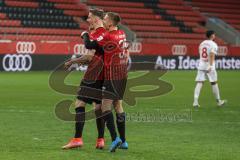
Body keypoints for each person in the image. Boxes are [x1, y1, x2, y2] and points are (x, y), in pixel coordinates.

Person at [81, 12, 129, 152]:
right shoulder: (122, 33)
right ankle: (124, 141)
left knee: (105, 107)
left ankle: (115, 139)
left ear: (111, 23)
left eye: (105, 19)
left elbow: (89, 44)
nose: (103, 21)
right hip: (123, 74)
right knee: (118, 105)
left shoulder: (108, 36)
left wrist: (84, 34)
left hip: (112, 75)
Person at [62, 9, 105, 150]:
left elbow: (89, 57)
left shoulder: (96, 34)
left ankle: (77, 139)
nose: (87, 20)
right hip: (103, 75)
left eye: (90, 17)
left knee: (79, 104)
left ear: (97, 19)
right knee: (98, 108)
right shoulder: (106, 33)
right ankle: (100, 140)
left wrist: (72, 61)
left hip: (93, 75)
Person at [193, 30, 226, 108]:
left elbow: (200, 53)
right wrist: (210, 65)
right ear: (212, 36)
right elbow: (211, 55)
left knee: (199, 82)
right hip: (209, 65)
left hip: (201, 64)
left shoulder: (202, 43)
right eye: (214, 34)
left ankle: (195, 102)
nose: (215, 36)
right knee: (214, 83)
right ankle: (219, 101)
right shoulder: (213, 44)